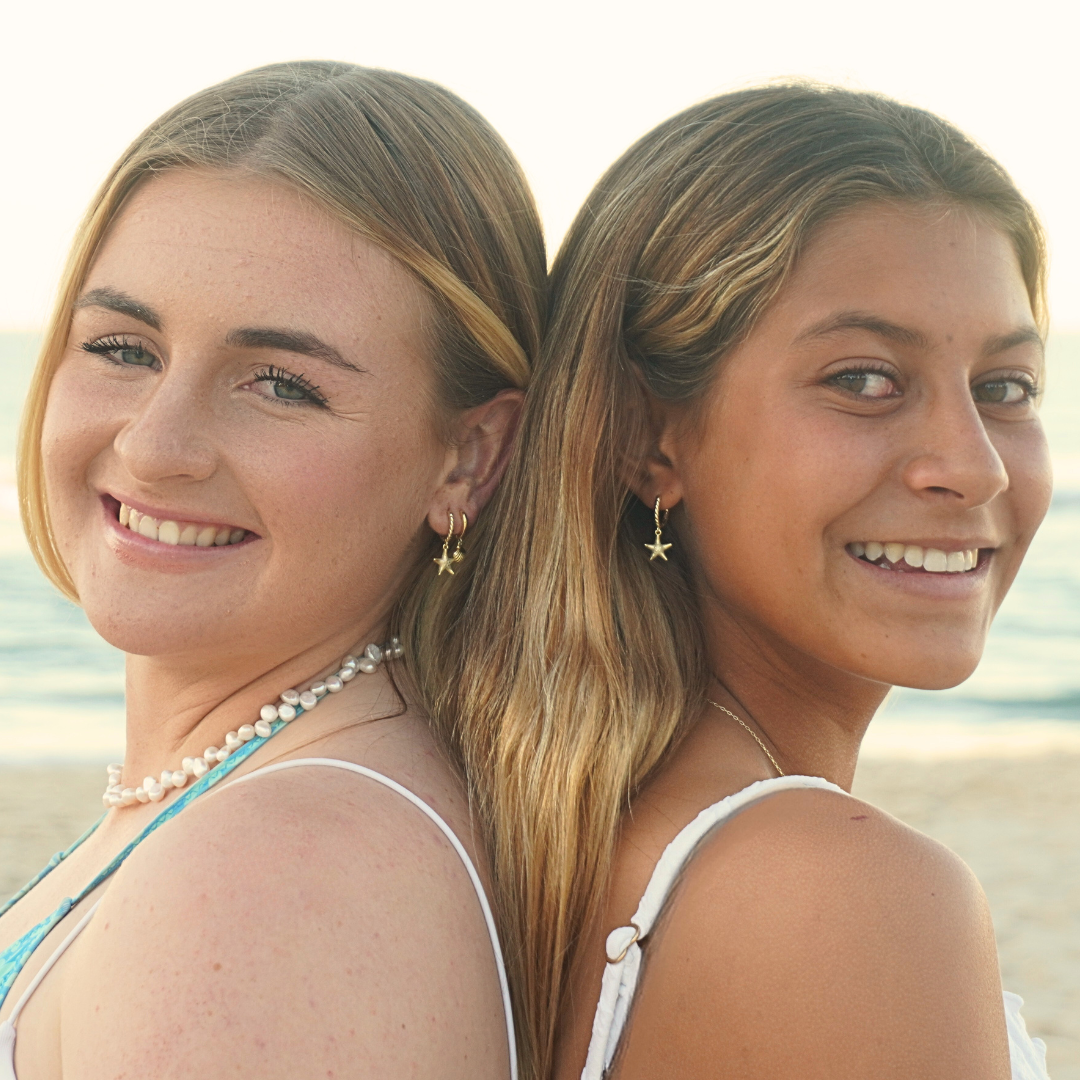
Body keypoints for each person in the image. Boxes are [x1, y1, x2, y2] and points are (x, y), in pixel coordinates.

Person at [420, 85, 1053, 1079]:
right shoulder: (848, 891)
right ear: (647, 438)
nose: (973, 468)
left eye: (1004, 388)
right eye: (864, 380)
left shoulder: (535, 828)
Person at [0, 61, 545, 1080]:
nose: (159, 446)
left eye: (282, 384)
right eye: (123, 348)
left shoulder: (277, 867)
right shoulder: (255, 807)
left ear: (468, 457)